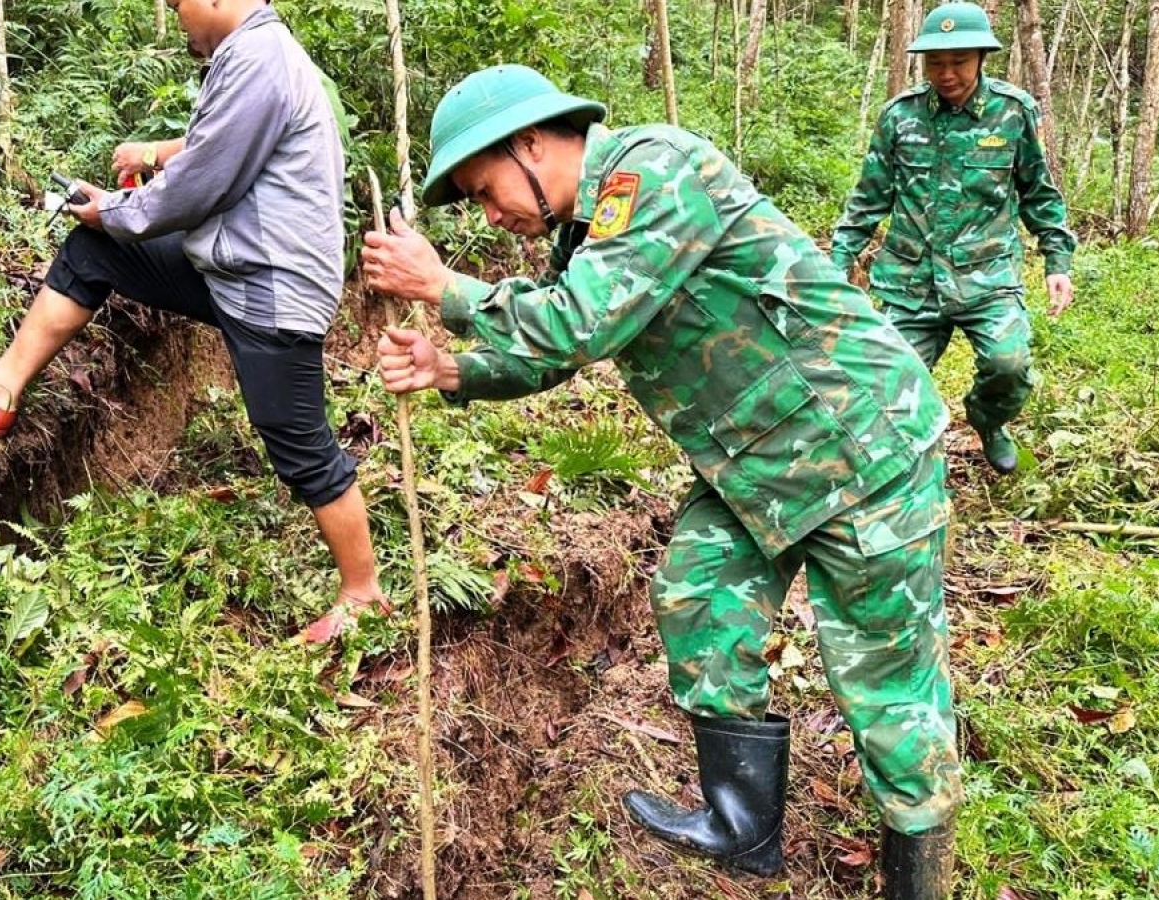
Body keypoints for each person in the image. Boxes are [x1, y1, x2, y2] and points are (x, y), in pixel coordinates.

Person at [361, 65, 961, 898]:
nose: (493, 216)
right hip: (757, 458)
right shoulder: (590, 229)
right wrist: (449, 368)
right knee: (699, 593)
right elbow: (555, 341)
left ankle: (918, 879)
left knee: (887, 684)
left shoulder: (656, 170)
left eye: (487, 189)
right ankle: (743, 825)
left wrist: (444, 287)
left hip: (860, 447)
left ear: (533, 142)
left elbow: (581, 322)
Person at [0, 0, 388, 640]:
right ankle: (1, 383)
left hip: (271, 289)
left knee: (297, 442)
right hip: (237, 268)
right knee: (96, 254)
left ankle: (364, 593)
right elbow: (219, 144)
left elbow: (196, 189)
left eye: (177, 6)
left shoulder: (259, 58)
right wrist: (152, 157)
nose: (178, 19)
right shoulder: (253, 54)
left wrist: (113, 208)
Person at [831, 0, 1078, 475]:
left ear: (982, 58)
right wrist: (840, 255)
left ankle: (987, 420)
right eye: (936, 63)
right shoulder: (899, 117)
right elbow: (869, 196)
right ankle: (912, 469)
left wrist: (1057, 261)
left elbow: (1039, 193)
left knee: (1009, 367)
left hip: (986, 277)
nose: (946, 74)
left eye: (958, 62)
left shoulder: (1013, 114)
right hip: (912, 282)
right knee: (886, 386)